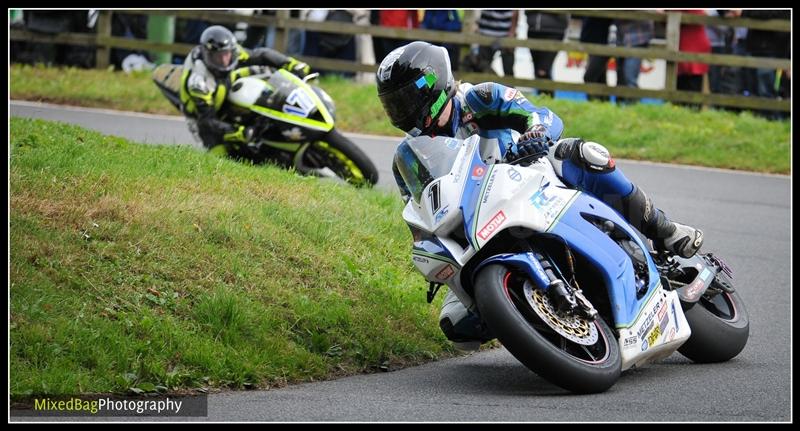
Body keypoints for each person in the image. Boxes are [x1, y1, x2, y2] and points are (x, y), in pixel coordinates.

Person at [376, 41, 704, 351]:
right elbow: (419, 214)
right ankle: (538, 318)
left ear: (431, 87)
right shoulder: (408, 156)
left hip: (532, 181)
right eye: (393, 105)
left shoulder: (479, 98)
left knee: (583, 154)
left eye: (404, 100)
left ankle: (664, 229)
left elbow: (542, 115)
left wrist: (535, 133)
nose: (401, 111)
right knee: (456, 325)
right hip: (479, 223)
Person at [180, 25, 311, 156]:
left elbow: (261, 55)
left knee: (263, 74)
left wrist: (289, 63)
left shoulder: (232, 50)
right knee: (221, 156)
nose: (225, 61)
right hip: (201, 115)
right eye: (218, 57)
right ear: (208, 55)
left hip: (224, 85)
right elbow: (207, 120)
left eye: (227, 55)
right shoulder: (198, 81)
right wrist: (235, 131)